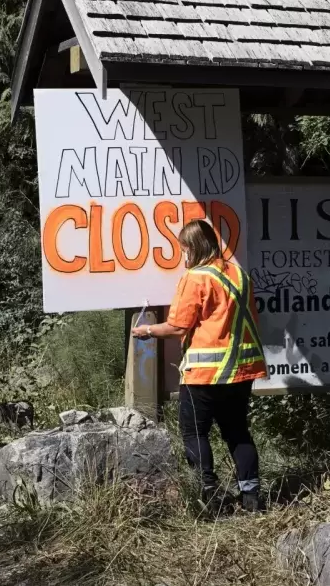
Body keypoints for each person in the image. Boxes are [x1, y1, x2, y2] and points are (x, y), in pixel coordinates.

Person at [131, 219, 268, 513]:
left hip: (204, 373)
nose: (183, 256)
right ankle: (251, 496)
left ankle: (208, 495)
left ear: (193, 247)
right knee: (238, 431)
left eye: (184, 249)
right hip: (241, 370)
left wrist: (147, 331)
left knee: (194, 432)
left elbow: (179, 326)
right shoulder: (239, 273)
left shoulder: (195, 278)